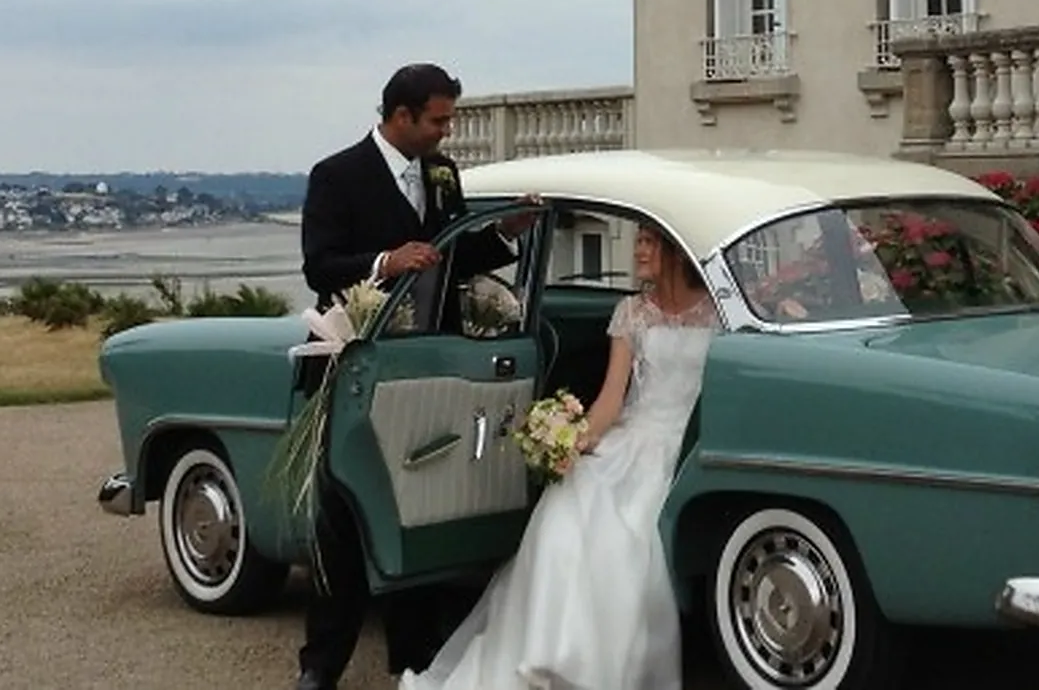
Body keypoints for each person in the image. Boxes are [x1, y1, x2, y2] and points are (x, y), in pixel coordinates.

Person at [294, 62, 538, 690]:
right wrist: (384, 261)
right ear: (401, 116)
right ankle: (321, 665)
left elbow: (453, 256)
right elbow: (320, 266)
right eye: (438, 120)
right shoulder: (336, 174)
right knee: (343, 517)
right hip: (356, 365)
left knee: (421, 506)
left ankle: (414, 659)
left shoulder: (442, 175)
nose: (446, 133)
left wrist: (505, 233)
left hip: (428, 364)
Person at [401, 222, 720, 690]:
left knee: (631, 534)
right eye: (638, 241)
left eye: (649, 243)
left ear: (675, 250)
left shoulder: (717, 314)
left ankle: (607, 667)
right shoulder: (631, 313)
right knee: (571, 501)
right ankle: (550, 651)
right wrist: (574, 441)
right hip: (634, 437)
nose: (638, 250)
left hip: (688, 443)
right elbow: (613, 397)